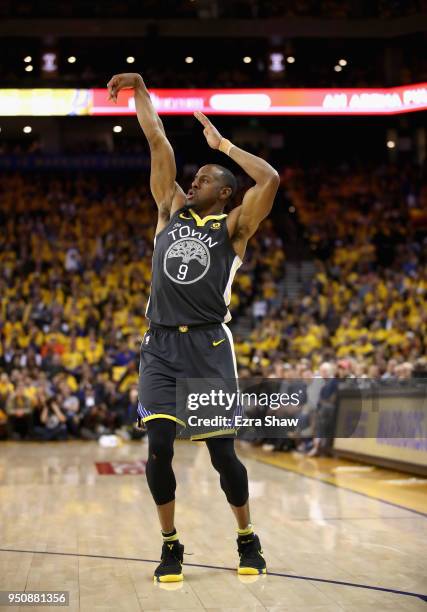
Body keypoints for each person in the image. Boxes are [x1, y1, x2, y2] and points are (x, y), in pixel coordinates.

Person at [107, 72, 280, 583]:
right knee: (158, 446)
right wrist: (140, 91)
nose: (194, 181)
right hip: (160, 344)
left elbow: (268, 180)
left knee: (222, 455)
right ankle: (170, 544)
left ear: (225, 193)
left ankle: (246, 537)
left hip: (207, 346)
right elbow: (156, 138)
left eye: (204, 178)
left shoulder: (234, 227)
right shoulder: (169, 210)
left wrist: (223, 145)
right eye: (196, 176)